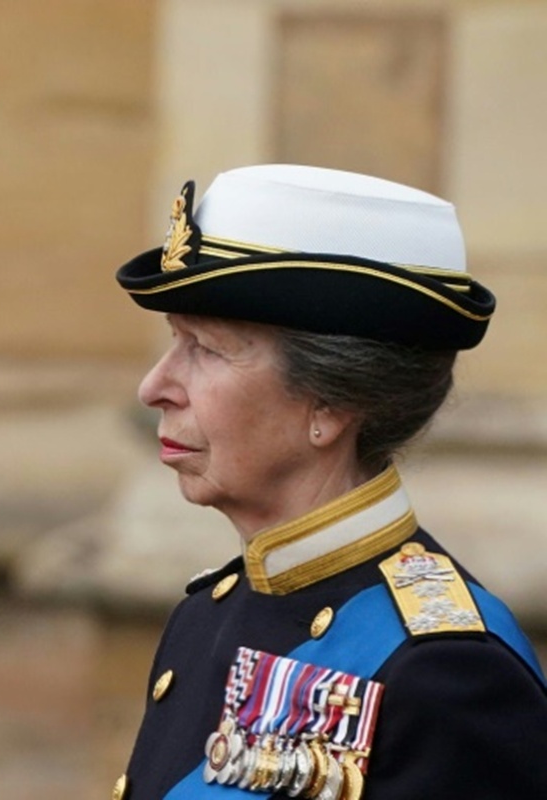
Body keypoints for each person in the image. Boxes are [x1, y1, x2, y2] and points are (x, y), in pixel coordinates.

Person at [107, 165, 547, 799]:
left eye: (206, 349)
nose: (154, 387)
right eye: (176, 341)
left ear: (329, 407)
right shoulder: (205, 615)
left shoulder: (446, 669)